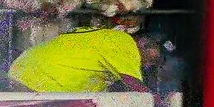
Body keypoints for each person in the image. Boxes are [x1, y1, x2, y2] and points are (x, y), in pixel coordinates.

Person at [8, 13, 151, 93]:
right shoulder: (125, 42)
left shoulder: (106, 38)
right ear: (143, 42)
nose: (147, 66)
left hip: (24, 67)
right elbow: (139, 91)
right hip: (40, 78)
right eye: (152, 60)